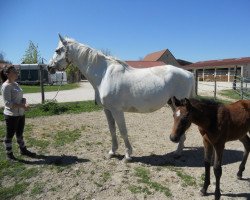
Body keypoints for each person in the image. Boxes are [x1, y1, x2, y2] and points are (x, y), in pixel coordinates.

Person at [0, 65, 35, 160]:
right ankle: (9, 154)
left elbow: (21, 97)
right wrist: (23, 106)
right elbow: (8, 103)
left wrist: (24, 102)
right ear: (8, 74)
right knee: (9, 135)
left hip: (20, 113)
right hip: (11, 115)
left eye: (16, 71)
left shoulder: (16, 84)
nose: (17, 73)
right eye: (14, 72)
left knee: (19, 133)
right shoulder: (6, 86)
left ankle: (23, 150)